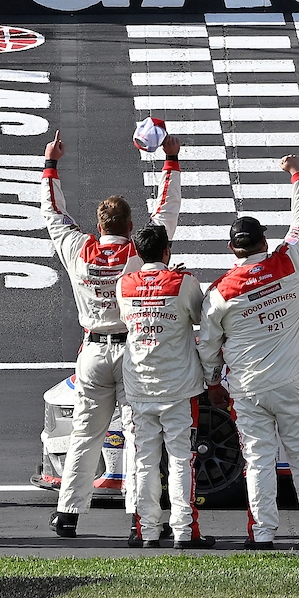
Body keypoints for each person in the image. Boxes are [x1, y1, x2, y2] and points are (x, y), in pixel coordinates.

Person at [198, 155, 299, 550]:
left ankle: (263, 534)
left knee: (259, 459)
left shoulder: (220, 292)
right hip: (292, 382)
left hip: (247, 388)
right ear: (263, 242)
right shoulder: (289, 260)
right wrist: (297, 174)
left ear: (233, 249)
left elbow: (208, 346)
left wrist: (213, 383)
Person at [43, 130, 181, 541]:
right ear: (132, 226)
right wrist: (170, 161)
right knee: (137, 434)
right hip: (133, 350)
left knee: (85, 433)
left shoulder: (77, 247)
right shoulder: (139, 252)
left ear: (98, 225)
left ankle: (67, 514)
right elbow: (167, 212)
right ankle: (139, 518)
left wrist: (50, 164)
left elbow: (53, 213)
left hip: (91, 350)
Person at [116, 224, 215, 549]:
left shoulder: (123, 284)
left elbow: (130, 314)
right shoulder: (184, 282)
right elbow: (200, 316)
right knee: (181, 459)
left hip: (139, 386)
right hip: (178, 388)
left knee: (144, 460)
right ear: (167, 251)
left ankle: (147, 531)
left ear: (138, 252)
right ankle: (184, 532)